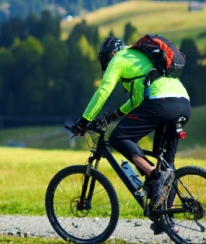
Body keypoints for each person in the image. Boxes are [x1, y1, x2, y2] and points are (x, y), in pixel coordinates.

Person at [70, 36, 191, 229]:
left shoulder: (119, 58)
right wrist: (113, 115)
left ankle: (155, 176)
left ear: (109, 55)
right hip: (183, 103)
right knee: (168, 161)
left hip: (161, 102)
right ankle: (167, 217)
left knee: (119, 138)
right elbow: (137, 100)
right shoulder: (142, 58)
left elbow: (104, 90)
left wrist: (85, 120)